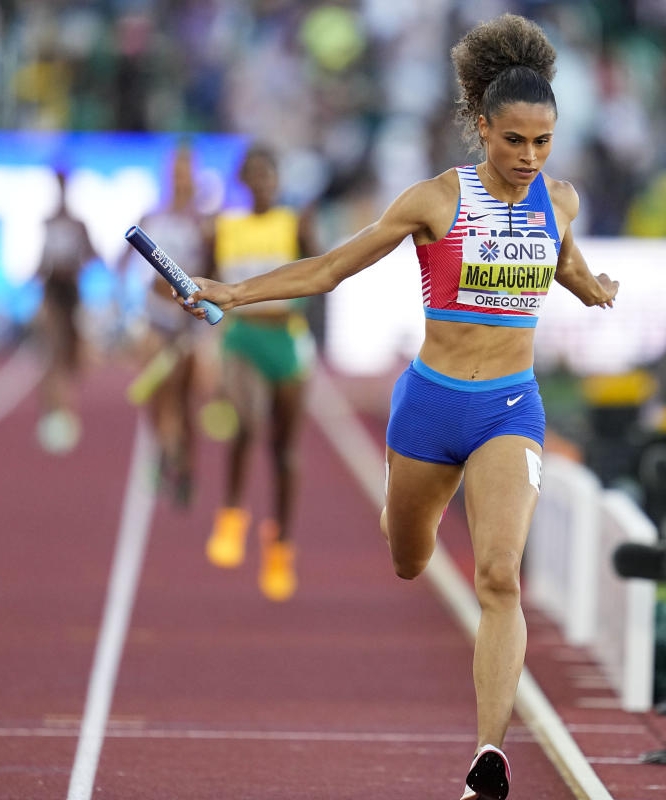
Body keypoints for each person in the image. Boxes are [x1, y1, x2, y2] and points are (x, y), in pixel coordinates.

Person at [177, 15, 618, 800]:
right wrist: (233, 292)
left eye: (543, 143)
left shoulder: (561, 199)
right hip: (430, 407)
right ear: (482, 126)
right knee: (408, 559)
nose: (528, 159)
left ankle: (487, 757)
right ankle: (401, 505)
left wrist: (595, 288)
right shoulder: (435, 201)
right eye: (514, 141)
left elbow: (566, 266)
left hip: (510, 409)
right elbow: (329, 269)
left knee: (498, 575)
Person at [204, 144, 318, 603]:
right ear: (243, 182)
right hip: (243, 339)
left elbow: (320, 275)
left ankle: (281, 544)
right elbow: (204, 282)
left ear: (278, 179)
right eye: (253, 176)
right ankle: (232, 512)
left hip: (286, 342)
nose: (262, 183)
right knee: (248, 421)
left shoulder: (295, 224)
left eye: (268, 175)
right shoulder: (224, 229)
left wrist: (296, 304)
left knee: (285, 450)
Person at [120, 142, 213, 506]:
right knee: (159, 396)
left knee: (186, 399)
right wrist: (119, 305)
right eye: (175, 171)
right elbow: (123, 262)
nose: (180, 179)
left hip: (189, 324)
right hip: (157, 319)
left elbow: (215, 268)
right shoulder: (152, 219)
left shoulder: (205, 223)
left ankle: (186, 465)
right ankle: (164, 450)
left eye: (186, 172)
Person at [34, 166, 100, 454]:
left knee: (71, 354)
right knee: (52, 350)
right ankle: (53, 410)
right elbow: (41, 259)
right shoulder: (48, 221)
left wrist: (76, 263)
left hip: (71, 292)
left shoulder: (77, 224)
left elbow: (94, 254)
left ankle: (66, 409)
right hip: (51, 290)